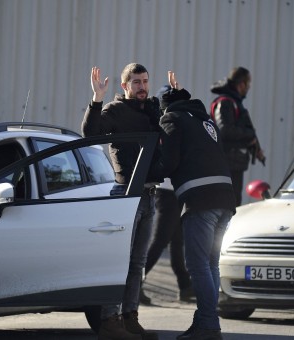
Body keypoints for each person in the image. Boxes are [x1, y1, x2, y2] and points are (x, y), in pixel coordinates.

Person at [81, 63, 163, 340]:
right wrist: (96, 99)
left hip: (151, 195)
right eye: (136, 82)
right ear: (125, 86)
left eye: (145, 81)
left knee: (138, 263)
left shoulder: (153, 110)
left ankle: (130, 318)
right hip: (126, 194)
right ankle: (109, 320)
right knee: (120, 261)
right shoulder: (114, 111)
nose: (142, 87)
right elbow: (89, 135)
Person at [157, 72, 236, 340]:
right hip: (225, 198)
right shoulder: (205, 120)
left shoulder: (171, 118)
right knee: (211, 264)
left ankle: (209, 326)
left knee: (198, 265)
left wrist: (147, 172)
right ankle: (205, 320)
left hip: (200, 200)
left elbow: (168, 162)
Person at [140, 85, 194, 306]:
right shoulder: (165, 124)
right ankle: (136, 284)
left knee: (177, 240)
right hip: (166, 192)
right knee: (160, 240)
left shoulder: (173, 122)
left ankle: (185, 286)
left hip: (175, 191)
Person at [210, 67, 265, 206]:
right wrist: (248, 135)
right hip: (227, 163)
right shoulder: (226, 102)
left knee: (233, 204)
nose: (249, 87)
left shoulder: (235, 102)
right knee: (227, 206)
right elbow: (224, 130)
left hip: (233, 164)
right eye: (248, 83)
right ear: (241, 84)